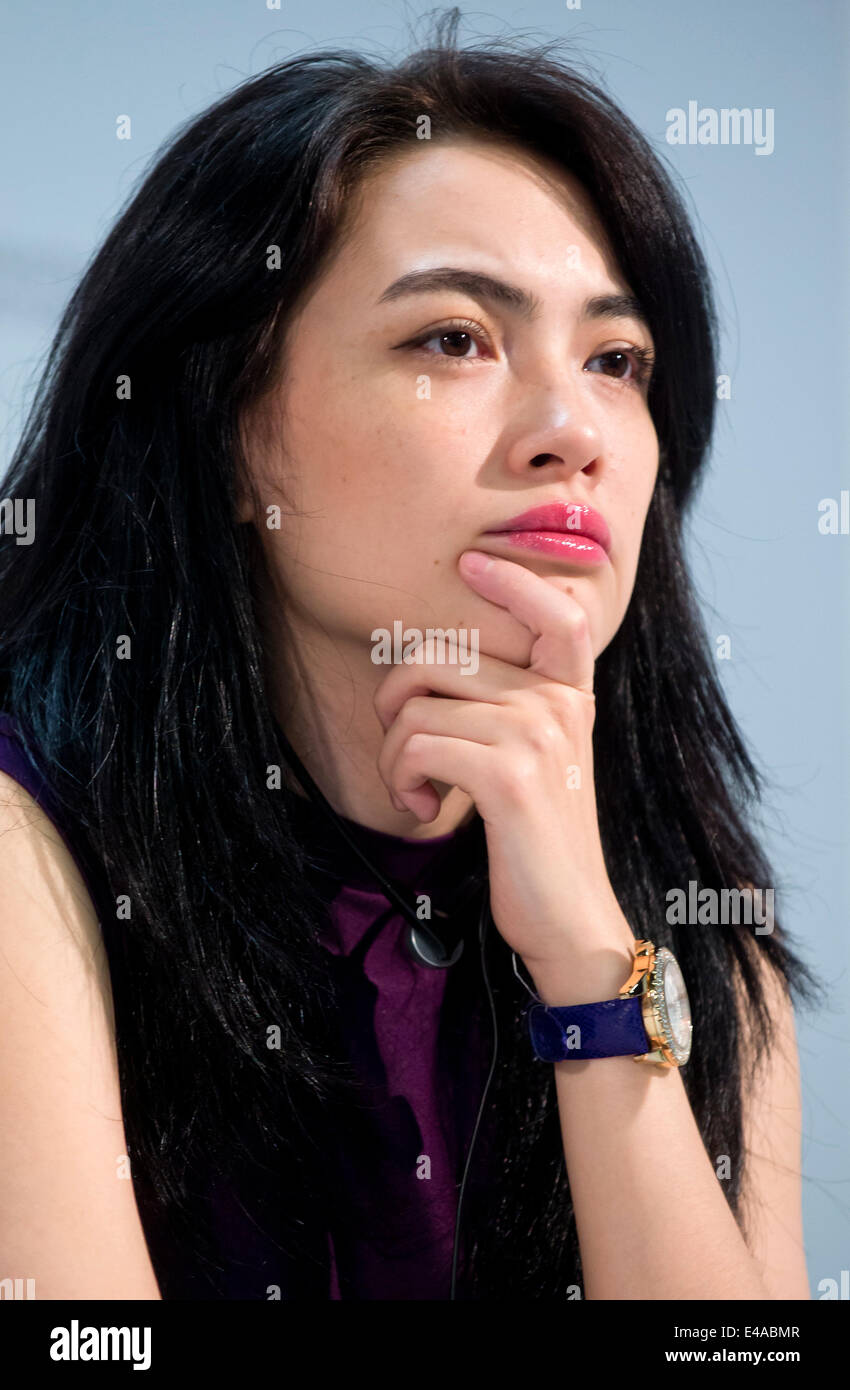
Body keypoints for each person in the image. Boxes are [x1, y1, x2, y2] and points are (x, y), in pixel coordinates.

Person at [0, 10, 820, 1300]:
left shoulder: (693, 940)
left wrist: (587, 969)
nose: (573, 431)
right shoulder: (24, 857)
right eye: (454, 338)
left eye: (618, 361)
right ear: (229, 430)